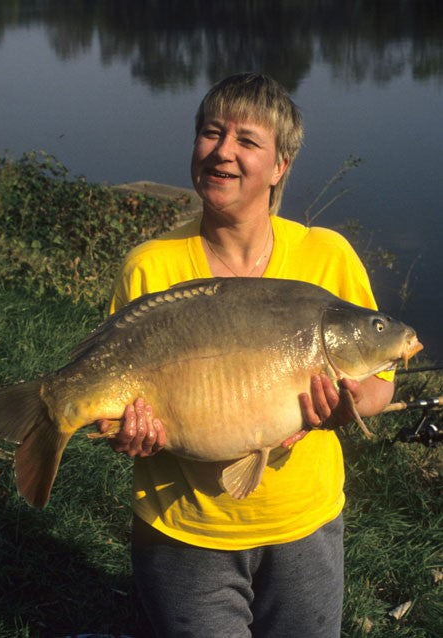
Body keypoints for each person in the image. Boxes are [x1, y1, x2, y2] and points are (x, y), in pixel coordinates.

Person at [98, 72, 394, 637]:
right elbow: (119, 404)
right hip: (182, 530)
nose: (223, 152)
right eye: (212, 133)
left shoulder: (326, 257)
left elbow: (380, 381)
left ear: (280, 166)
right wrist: (125, 431)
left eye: (247, 141)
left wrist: (354, 403)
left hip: (303, 526)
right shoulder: (151, 266)